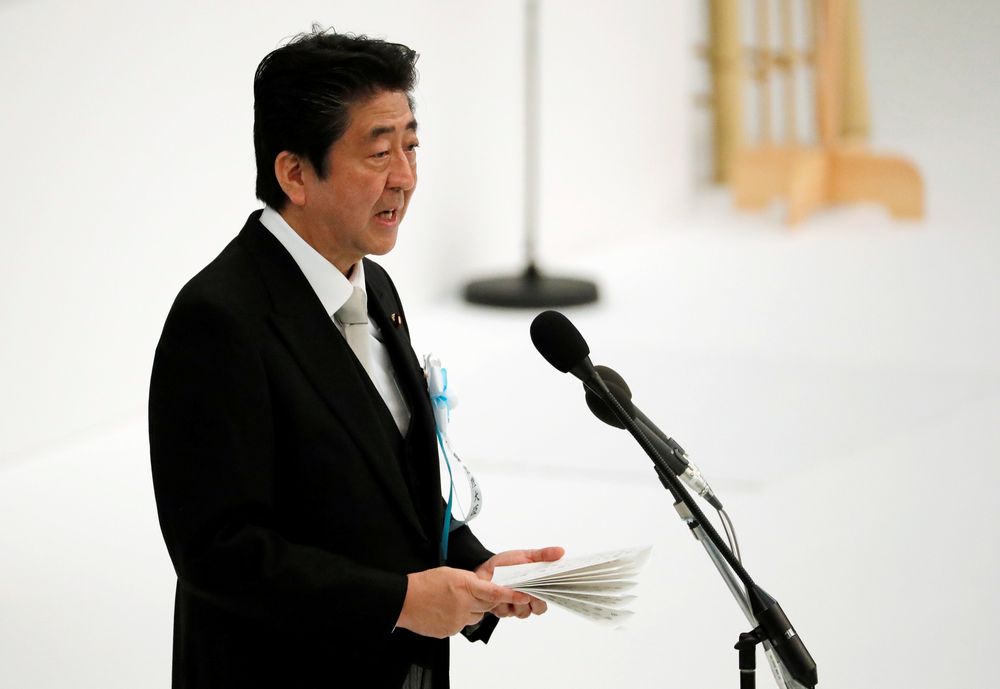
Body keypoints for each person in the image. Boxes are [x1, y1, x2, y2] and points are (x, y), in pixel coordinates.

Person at [148, 29, 563, 689]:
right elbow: (219, 552)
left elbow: (390, 479)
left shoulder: (375, 286)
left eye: (411, 145)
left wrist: (474, 569)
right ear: (294, 173)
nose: (405, 175)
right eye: (378, 151)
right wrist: (398, 600)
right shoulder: (219, 321)